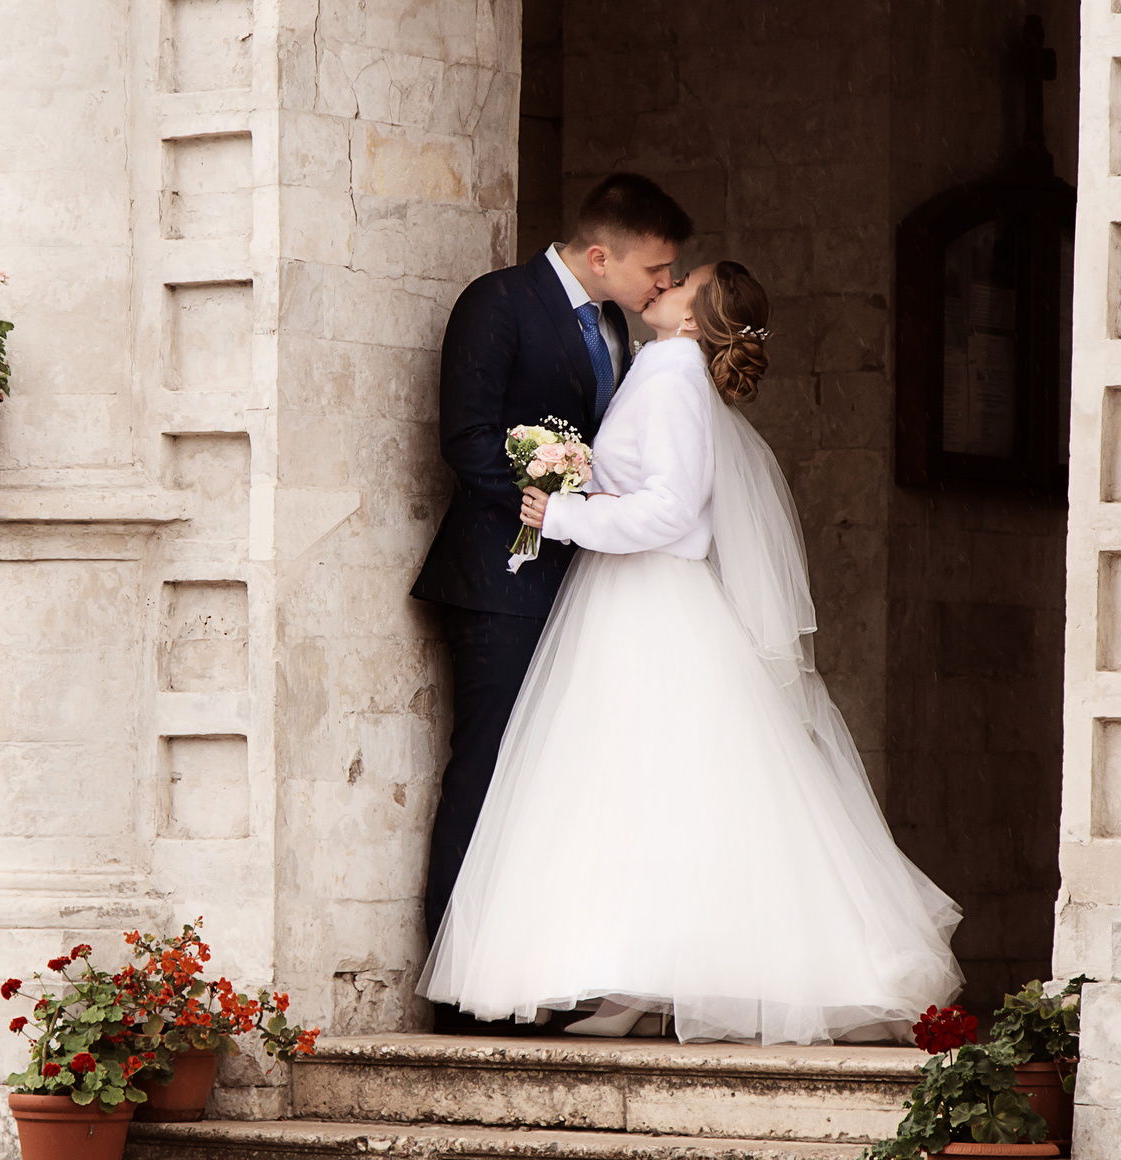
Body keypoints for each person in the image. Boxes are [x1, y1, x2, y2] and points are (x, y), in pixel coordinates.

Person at [418, 260, 965, 1043]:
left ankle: (644, 982)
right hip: (622, 599)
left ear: (690, 318)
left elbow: (674, 513)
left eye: (679, 285)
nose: (659, 287)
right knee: (633, 788)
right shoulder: (664, 369)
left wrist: (565, 516)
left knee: (648, 783)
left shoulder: (674, 377)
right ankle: (634, 980)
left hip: (647, 601)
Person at [411, 175, 690, 960]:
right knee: (489, 764)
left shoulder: (616, 326)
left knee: (558, 778)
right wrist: (551, 505)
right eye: (655, 271)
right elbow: (466, 441)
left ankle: (534, 965)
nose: (664, 285)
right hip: (500, 582)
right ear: (601, 255)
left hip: (580, 585)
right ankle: (455, 966)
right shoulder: (496, 303)